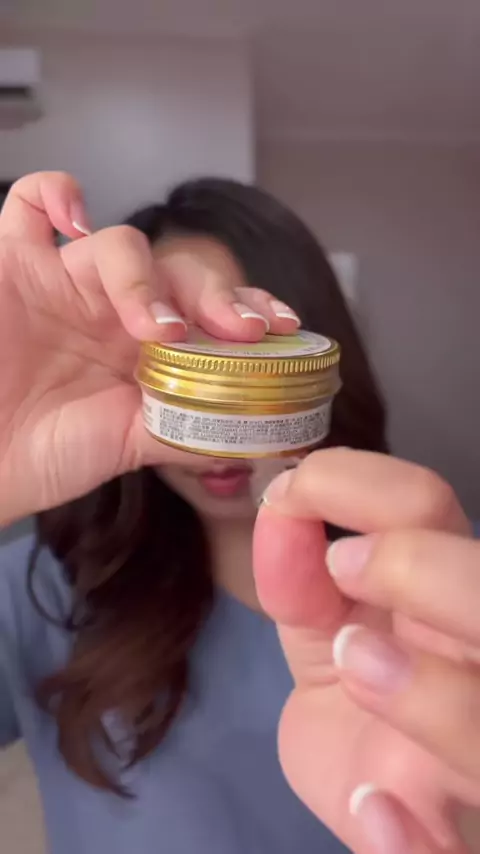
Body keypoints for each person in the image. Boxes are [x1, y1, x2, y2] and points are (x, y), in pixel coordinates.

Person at [0, 172, 478, 854]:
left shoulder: (451, 582)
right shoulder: (35, 593)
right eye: (191, 352)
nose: (226, 418)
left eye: (258, 347)